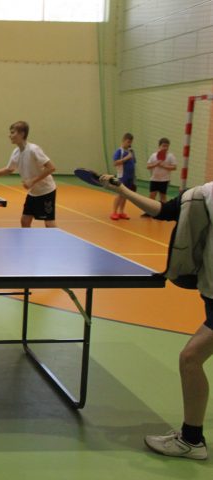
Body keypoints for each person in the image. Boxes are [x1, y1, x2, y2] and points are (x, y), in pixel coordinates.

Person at [99, 174, 212, 461]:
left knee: (190, 359)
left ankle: (191, 440)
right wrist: (122, 190)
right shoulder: (204, 194)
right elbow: (163, 211)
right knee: (191, 359)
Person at [0, 121, 57, 228]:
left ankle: (57, 238)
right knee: (25, 221)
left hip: (46, 191)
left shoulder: (33, 149)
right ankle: (27, 239)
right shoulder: (16, 152)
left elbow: (51, 167)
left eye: (13, 132)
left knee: (49, 223)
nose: (10, 135)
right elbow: (9, 169)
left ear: (22, 134)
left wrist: (32, 181)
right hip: (33, 192)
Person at [110, 133, 136, 220]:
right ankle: (114, 212)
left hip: (130, 177)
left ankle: (121, 212)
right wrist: (126, 158)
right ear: (123, 140)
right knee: (120, 194)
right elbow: (115, 163)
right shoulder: (119, 151)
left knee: (125, 195)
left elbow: (133, 163)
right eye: (128, 142)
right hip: (122, 176)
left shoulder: (131, 152)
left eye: (131, 142)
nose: (129, 144)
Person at [146, 137, 177, 207]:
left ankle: (164, 211)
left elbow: (174, 167)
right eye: (163, 146)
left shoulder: (170, 156)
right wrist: (156, 164)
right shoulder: (153, 155)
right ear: (159, 146)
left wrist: (164, 166)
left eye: (167, 146)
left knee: (163, 196)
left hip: (164, 180)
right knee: (152, 195)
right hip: (154, 179)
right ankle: (149, 210)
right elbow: (148, 166)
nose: (165, 148)